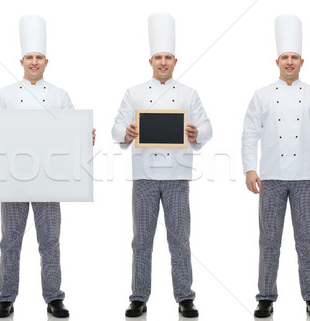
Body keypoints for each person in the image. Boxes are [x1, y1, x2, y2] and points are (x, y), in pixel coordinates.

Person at [0, 15, 94, 319]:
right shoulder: (5, 94)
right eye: (29, 58)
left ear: (46, 61)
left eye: (39, 58)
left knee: (49, 240)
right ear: (21, 60)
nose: (34, 62)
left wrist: (85, 134)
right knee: (10, 240)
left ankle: (54, 297)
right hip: (12, 177)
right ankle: (6, 297)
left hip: (50, 177)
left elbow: (73, 133)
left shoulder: (60, 95)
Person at [111, 13, 212, 318]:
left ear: (175, 61)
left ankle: (185, 296)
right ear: (151, 60)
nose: (163, 62)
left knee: (179, 237)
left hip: (178, 176)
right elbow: (116, 127)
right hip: (143, 176)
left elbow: (207, 127)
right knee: (142, 238)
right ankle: (139, 296)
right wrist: (126, 133)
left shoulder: (188, 94)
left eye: (168, 57)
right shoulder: (135, 93)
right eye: (159, 57)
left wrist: (197, 133)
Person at [241, 14, 310, 318]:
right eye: (285, 57)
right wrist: (249, 169)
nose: (290, 62)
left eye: (294, 57)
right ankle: (265, 296)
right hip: (270, 177)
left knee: (307, 239)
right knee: (268, 239)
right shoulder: (261, 95)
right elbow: (249, 134)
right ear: (277, 61)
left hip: (305, 177)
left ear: (302, 61)